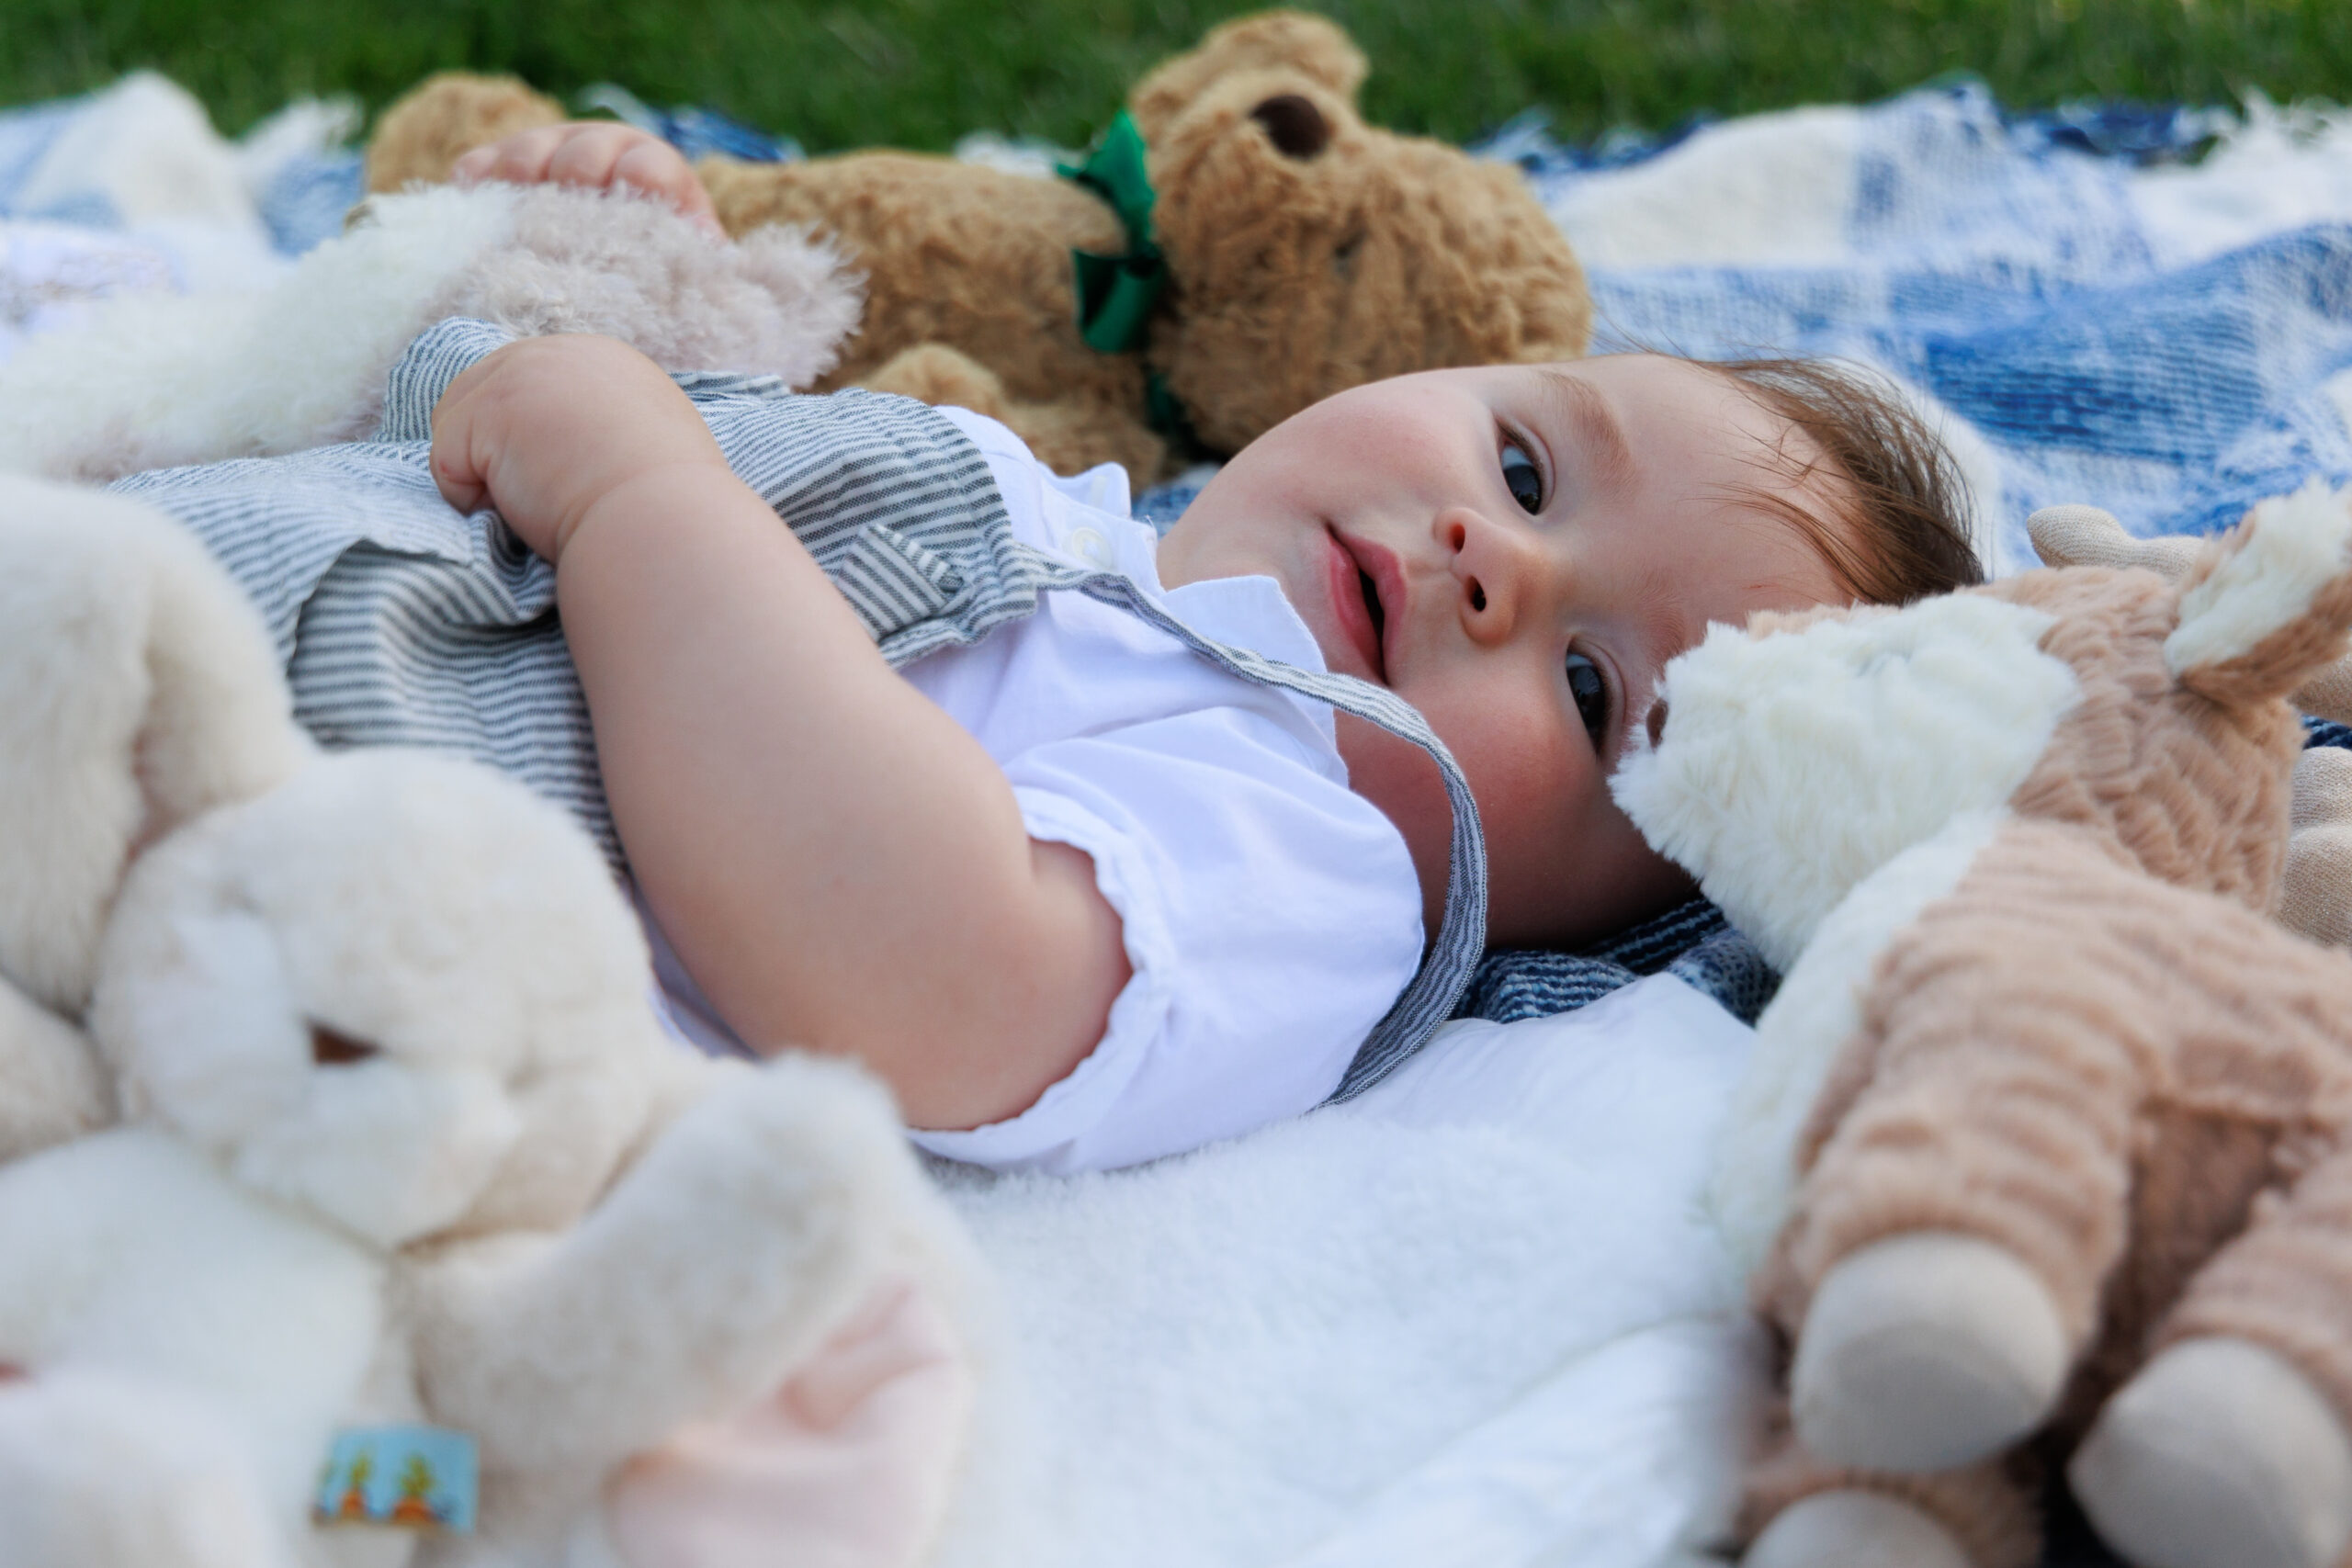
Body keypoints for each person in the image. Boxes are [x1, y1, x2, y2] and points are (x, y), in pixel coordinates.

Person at [142, 122, 1984, 1174]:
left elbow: (929, 975)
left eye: (1588, 690)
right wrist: (623, 282)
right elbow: (783, 532)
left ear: (1575, 913)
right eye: (1519, 461)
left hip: (249, 887)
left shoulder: (1314, 854)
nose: (1481, 560)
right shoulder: (1075, 519)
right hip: (182, 621)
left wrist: (639, 486)